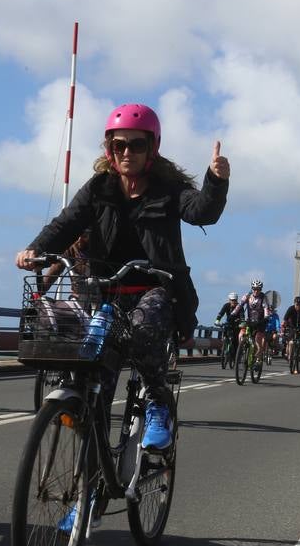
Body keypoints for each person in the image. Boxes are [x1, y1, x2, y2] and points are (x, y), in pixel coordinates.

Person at [15, 103, 229, 452]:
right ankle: (89, 493)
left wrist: (216, 181)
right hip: (104, 293)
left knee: (145, 328)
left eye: (136, 144)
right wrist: (33, 250)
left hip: (155, 289)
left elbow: (201, 210)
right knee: (93, 374)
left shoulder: (169, 189)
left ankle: (158, 404)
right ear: (109, 149)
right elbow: (66, 223)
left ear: (152, 147)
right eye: (119, 145)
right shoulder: (100, 187)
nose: (127, 152)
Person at [237, 279, 273, 360]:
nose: (256, 291)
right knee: (241, 334)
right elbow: (239, 306)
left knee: (257, 340)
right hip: (250, 321)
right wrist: (233, 314)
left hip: (260, 322)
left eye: (258, 289)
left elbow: (266, 308)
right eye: (254, 289)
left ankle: (258, 360)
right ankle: (242, 350)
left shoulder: (263, 297)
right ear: (252, 288)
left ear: (261, 289)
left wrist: (266, 318)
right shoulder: (247, 296)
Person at [281, 296, 300, 371]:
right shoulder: (291, 308)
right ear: (294, 304)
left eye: (299, 305)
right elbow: (285, 319)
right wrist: (283, 326)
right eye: (296, 304)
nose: (298, 306)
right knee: (290, 342)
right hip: (292, 327)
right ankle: (290, 357)